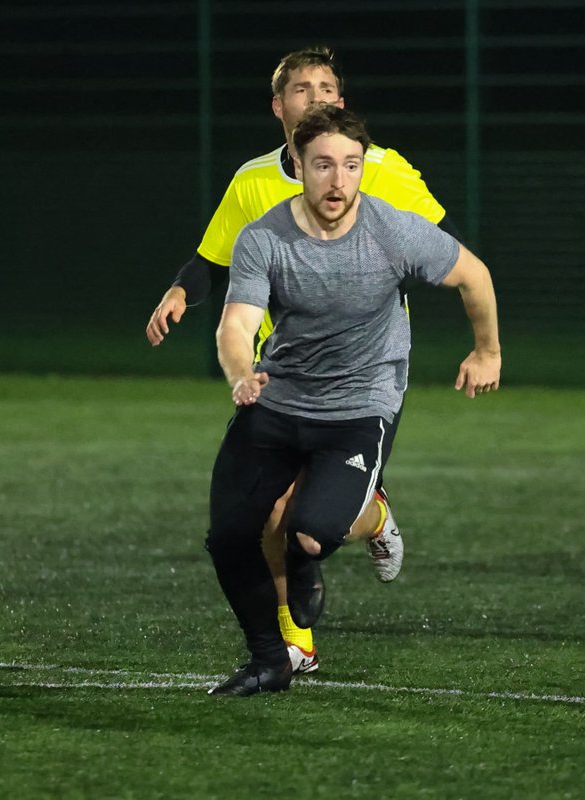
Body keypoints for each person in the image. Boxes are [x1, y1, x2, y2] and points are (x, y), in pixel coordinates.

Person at [145, 47, 460, 675]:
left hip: (361, 380)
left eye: (325, 88)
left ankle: (366, 520)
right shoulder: (253, 181)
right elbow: (215, 258)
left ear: (340, 102)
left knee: (297, 514)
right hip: (275, 374)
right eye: (299, 89)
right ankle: (297, 640)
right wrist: (182, 289)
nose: (313, 97)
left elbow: (438, 246)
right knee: (266, 515)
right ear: (277, 106)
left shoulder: (383, 170)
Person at [206, 104, 500, 696]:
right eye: (322, 166)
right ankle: (269, 661)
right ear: (298, 165)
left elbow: (474, 275)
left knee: (308, 533)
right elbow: (235, 326)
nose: (338, 181)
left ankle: (370, 519)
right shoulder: (264, 236)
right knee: (230, 535)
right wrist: (242, 374)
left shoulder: (393, 230)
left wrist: (486, 351)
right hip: (279, 397)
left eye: (350, 165)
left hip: (361, 406)